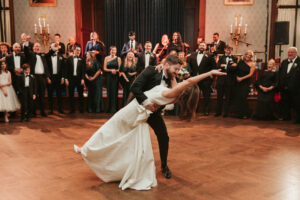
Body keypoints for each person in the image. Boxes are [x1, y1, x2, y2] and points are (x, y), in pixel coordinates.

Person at [74, 55, 225, 190]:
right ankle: (88, 149)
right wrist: (209, 73)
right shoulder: (154, 72)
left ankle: (162, 166)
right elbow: (135, 87)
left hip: (150, 113)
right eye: (176, 69)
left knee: (158, 137)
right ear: (166, 65)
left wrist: (173, 71)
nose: (177, 73)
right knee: (114, 129)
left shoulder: (174, 87)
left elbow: (184, 82)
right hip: (138, 106)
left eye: (179, 70)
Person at [187, 42, 217, 115]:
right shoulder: (192, 55)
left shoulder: (210, 55)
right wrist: (190, 75)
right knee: (194, 96)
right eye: (200, 45)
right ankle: (194, 110)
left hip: (206, 80)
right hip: (195, 79)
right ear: (198, 46)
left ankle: (206, 110)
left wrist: (212, 76)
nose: (201, 46)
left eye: (203, 45)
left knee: (206, 95)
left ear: (206, 47)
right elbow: (189, 66)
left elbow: (214, 67)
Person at [23, 42, 50, 117]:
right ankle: (32, 112)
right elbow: (26, 51)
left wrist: (47, 77)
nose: (37, 47)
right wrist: (25, 45)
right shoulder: (31, 54)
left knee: (42, 95)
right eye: (36, 46)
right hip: (33, 77)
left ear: (40, 48)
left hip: (42, 77)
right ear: (33, 48)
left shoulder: (43, 55)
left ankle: (42, 111)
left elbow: (46, 67)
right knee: (33, 95)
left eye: (38, 46)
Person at [230, 50, 256, 119]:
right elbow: (236, 70)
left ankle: (245, 113)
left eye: (250, 55)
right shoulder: (241, 61)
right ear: (245, 55)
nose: (248, 56)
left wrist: (241, 78)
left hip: (245, 82)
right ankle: (238, 114)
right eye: (247, 54)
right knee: (237, 97)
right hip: (237, 82)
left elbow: (250, 75)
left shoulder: (252, 64)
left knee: (243, 97)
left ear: (251, 57)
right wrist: (237, 77)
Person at [278, 47, 300, 123]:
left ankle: (298, 119)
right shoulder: (284, 62)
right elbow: (281, 74)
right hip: (284, 87)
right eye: (289, 52)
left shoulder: (299, 61)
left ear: (296, 53)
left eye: (292, 52)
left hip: (296, 88)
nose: (290, 54)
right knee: (285, 102)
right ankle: (286, 116)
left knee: (296, 104)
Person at [215, 45, 238, 117]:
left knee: (228, 97)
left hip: (230, 80)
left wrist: (224, 66)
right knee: (219, 97)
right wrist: (229, 67)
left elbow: (234, 69)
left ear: (231, 50)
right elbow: (218, 66)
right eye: (227, 49)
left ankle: (226, 113)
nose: (228, 51)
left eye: (230, 49)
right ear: (224, 49)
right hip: (221, 80)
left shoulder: (235, 58)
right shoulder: (221, 57)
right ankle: (218, 112)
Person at [45, 43, 65, 114]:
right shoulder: (47, 57)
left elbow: (63, 68)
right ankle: (51, 109)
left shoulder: (61, 56)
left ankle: (60, 108)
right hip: (50, 77)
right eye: (52, 47)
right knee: (50, 94)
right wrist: (47, 77)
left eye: (55, 47)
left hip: (59, 78)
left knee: (59, 94)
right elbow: (46, 68)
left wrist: (63, 78)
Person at [65, 46, 86, 114]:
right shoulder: (69, 59)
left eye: (79, 50)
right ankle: (72, 109)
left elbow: (83, 70)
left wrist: (83, 79)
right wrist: (66, 79)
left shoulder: (82, 59)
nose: (78, 51)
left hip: (79, 79)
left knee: (80, 95)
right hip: (71, 79)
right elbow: (66, 70)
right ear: (74, 50)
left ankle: (81, 109)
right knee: (71, 95)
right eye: (77, 50)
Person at [103, 46, 121, 113]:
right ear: (110, 51)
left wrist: (115, 71)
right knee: (109, 91)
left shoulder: (118, 58)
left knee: (114, 92)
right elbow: (104, 68)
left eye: (114, 50)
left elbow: (120, 69)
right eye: (112, 50)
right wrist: (111, 70)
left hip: (115, 77)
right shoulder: (106, 58)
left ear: (116, 51)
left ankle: (114, 108)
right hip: (109, 76)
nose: (113, 51)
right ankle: (108, 108)